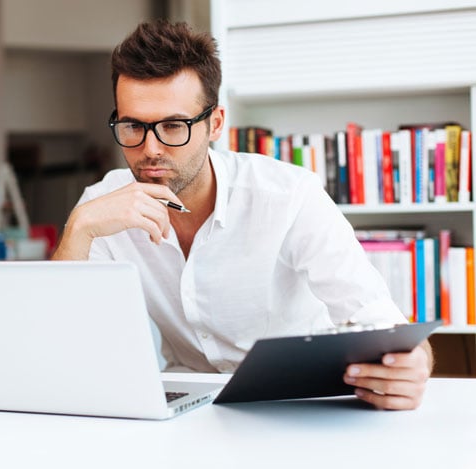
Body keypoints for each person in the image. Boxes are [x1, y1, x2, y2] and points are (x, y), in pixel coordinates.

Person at [51, 20, 433, 410]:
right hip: (190, 407)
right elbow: (62, 342)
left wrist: (412, 364)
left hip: (299, 399)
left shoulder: (289, 196)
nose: (150, 149)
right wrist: (78, 229)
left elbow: (380, 321)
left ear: (215, 123)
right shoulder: (101, 207)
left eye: (173, 125)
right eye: (133, 126)